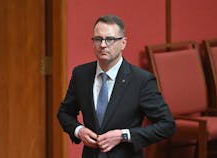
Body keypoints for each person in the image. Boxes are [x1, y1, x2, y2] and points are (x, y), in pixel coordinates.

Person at [57, 14, 175, 158]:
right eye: (98, 39)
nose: (103, 45)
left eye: (110, 39)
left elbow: (167, 125)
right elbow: (64, 113)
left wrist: (123, 135)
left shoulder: (141, 80)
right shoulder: (81, 74)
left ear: (123, 43)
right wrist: (79, 130)